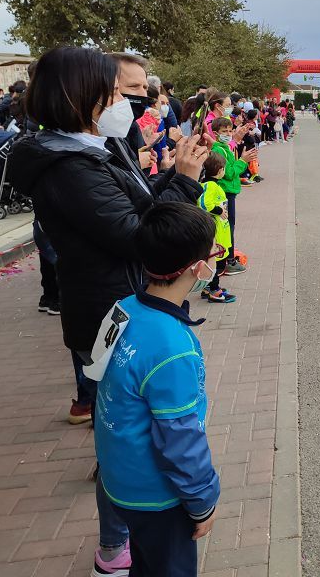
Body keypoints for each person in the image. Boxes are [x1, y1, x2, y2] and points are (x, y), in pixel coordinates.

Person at [9, 47, 209, 576]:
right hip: (106, 311)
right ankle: (120, 539)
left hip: (119, 301)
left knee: (120, 427)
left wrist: (174, 176)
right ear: (80, 96)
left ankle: (118, 539)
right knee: (124, 435)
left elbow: (138, 206)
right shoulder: (70, 166)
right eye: (117, 92)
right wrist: (186, 183)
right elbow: (135, 236)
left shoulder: (92, 149)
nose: (124, 103)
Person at [93, 202, 221, 575]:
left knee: (146, 562)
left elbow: (99, 377)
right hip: (157, 495)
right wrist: (202, 501)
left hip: (120, 477)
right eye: (215, 253)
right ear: (199, 268)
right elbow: (180, 438)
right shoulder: (172, 349)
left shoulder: (125, 308)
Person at [210, 117, 254, 275]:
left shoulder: (223, 148)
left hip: (228, 191)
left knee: (229, 226)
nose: (228, 134)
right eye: (224, 132)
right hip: (225, 192)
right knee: (228, 227)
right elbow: (228, 173)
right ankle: (228, 261)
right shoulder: (219, 150)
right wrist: (243, 161)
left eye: (230, 131)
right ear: (216, 134)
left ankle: (227, 259)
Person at [199, 152, 236, 303]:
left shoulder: (213, 185)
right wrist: (219, 211)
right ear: (220, 170)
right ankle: (214, 290)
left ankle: (208, 287)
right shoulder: (209, 185)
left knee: (217, 261)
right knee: (215, 262)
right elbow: (203, 204)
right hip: (215, 231)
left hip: (220, 230)